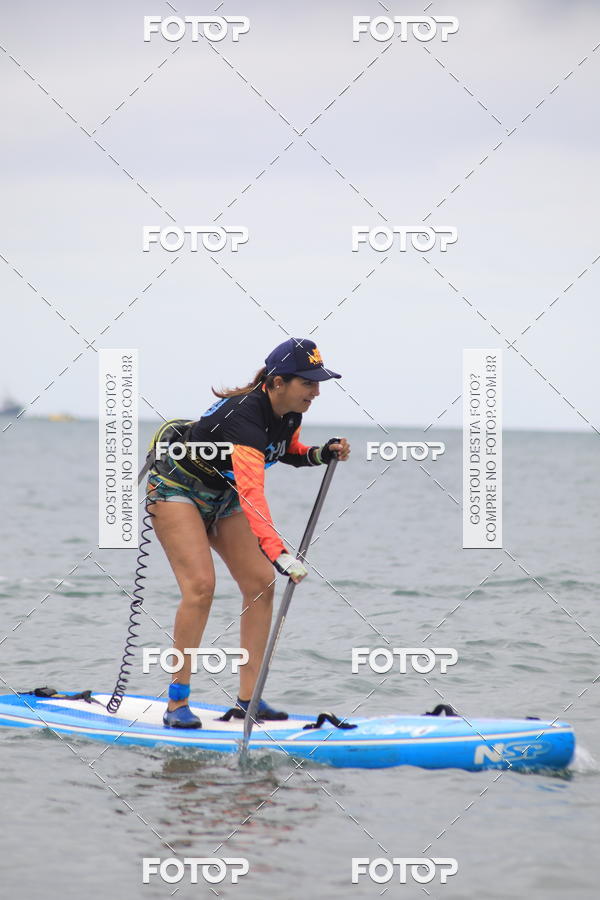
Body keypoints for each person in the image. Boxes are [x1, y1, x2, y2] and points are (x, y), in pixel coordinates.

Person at [145, 338, 351, 728]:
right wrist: (279, 553)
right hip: (178, 489)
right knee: (201, 587)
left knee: (260, 583)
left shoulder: (289, 412)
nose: (316, 391)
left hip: (224, 497)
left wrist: (320, 454)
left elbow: (285, 450)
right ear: (277, 382)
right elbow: (254, 495)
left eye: (318, 382)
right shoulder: (244, 416)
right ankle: (176, 703)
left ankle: (248, 700)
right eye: (308, 383)